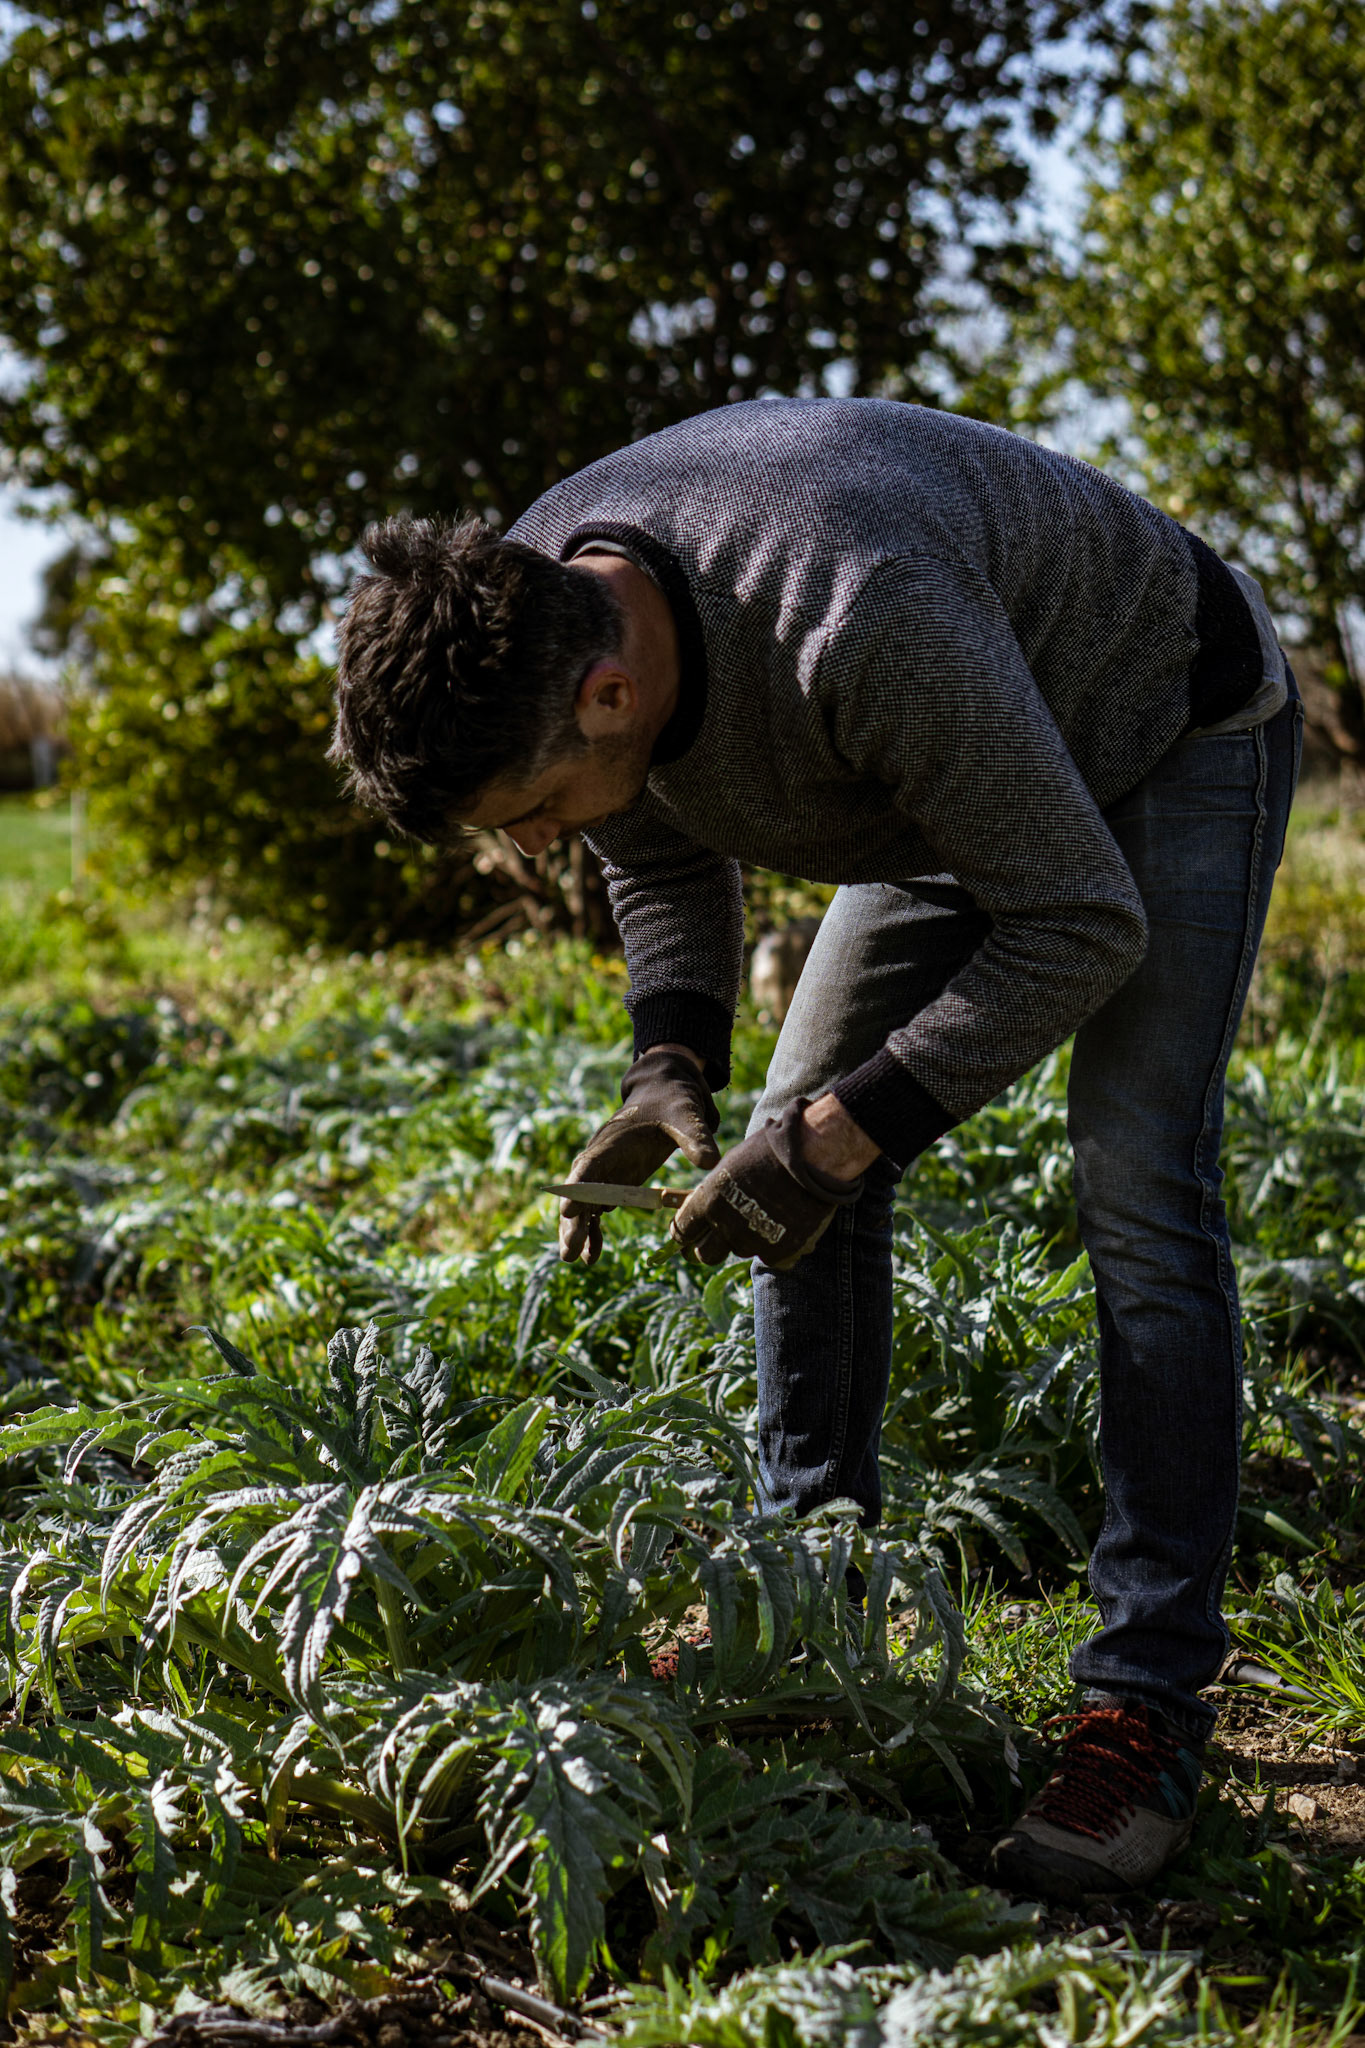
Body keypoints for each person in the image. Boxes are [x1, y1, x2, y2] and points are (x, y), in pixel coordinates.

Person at [329, 397, 1301, 1901]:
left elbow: (1077, 921)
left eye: (531, 814)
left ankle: (1146, 1697)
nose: (536, 848)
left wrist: (845, 1136)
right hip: (941, 777)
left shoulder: (856, 616)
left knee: (1137, 1185)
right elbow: (651, 838)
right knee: (790, 1140)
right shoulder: (539, 598)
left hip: (1164, 725)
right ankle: (809, 1592)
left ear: (606, 694)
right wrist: (669, 1066)